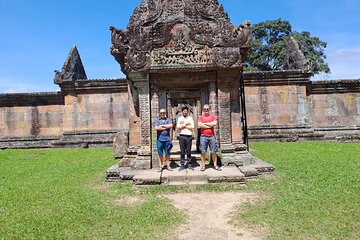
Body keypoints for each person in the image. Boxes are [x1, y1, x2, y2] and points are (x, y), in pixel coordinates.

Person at [198, 104, 221, 171]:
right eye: (205, 109)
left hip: (212, 136)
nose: (206, 110)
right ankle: (203, 165)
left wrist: (204, 124)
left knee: (214, 151)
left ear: (209, 109)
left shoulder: (212, 116)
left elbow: (214, 123)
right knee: (203, 151)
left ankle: (215, 165)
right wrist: (209, 125)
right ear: (203, 110)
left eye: (207, 109)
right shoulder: (200, 117)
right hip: (203, 136)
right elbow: (199, 125)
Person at [176, 105, 195, 171]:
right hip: (181, 136)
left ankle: (189, 164)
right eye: (183, 111)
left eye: (186, 111)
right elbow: (178, 126)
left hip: (189, 136)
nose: (184, 112)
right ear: (182, 112)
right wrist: (186, 124)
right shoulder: (180, 118)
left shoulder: (190, 118)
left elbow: (192, 126)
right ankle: (182, 164)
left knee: (188, 151)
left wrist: (183, 126)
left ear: (188, 112)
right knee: (182, 151)